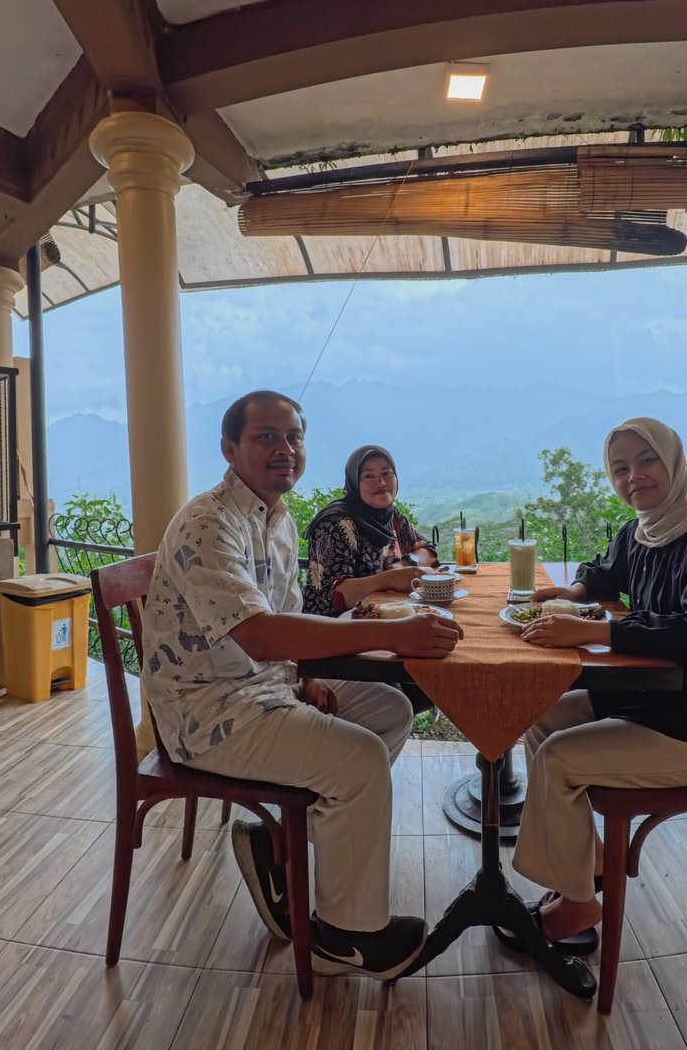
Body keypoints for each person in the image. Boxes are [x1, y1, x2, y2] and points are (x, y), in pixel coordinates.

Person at [136, 389, 463, 980]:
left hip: (261, 690)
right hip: (207, 714)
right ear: (230, 448)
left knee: (387, 708)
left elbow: (283, 621)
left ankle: (278, 840)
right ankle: (346, 934)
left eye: (294, 437)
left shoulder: (275, 519)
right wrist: (388, 638)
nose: (284, 449)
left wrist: (301, 678)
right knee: (358, 757)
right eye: (266, 437)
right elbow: (260, 634)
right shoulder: (210, 523)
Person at [506, 417, 687, 948]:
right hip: (659, 701)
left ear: (673, 460)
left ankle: (579, 907)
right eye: (620, 469)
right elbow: (607, 571)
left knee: (559, 758)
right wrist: (573, 590)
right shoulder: (646, 528)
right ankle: (582, 874)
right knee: (542, 715)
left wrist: (596, 627)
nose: (635, 477)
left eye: (647, 461)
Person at [302, 444, 439, 616]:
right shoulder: (337, 523)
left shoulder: (390, 516)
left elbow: (428, 549)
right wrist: (391, 579)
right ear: (354, 482)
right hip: (335, 627)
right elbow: (335, 595)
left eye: (386, 473)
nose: (381, 482)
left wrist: (404, 565)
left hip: (380, 616)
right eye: (368, 476)